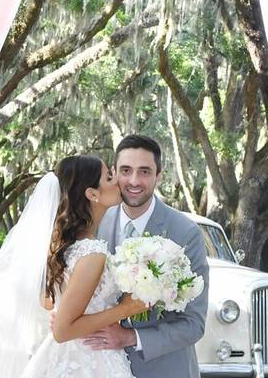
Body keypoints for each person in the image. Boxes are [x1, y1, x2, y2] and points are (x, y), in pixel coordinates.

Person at [0, 155, 146, 378]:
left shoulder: (65, 246)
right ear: (92, 194)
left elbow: (49, 302)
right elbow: (62, 330)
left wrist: (69, 312)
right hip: (87, 363)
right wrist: (126, 309)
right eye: (109, 177)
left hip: (66, 357)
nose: (117, 180)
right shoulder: (92, 253)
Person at [85, 134, 210, 378]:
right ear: (114, 172)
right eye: (126, 170)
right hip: (101, 366)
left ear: (159, 176)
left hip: (166, 370)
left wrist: (131, 337)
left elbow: (194, 323)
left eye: (144, 171)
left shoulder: (185, 232)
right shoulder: (95, 223)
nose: (134, 180)